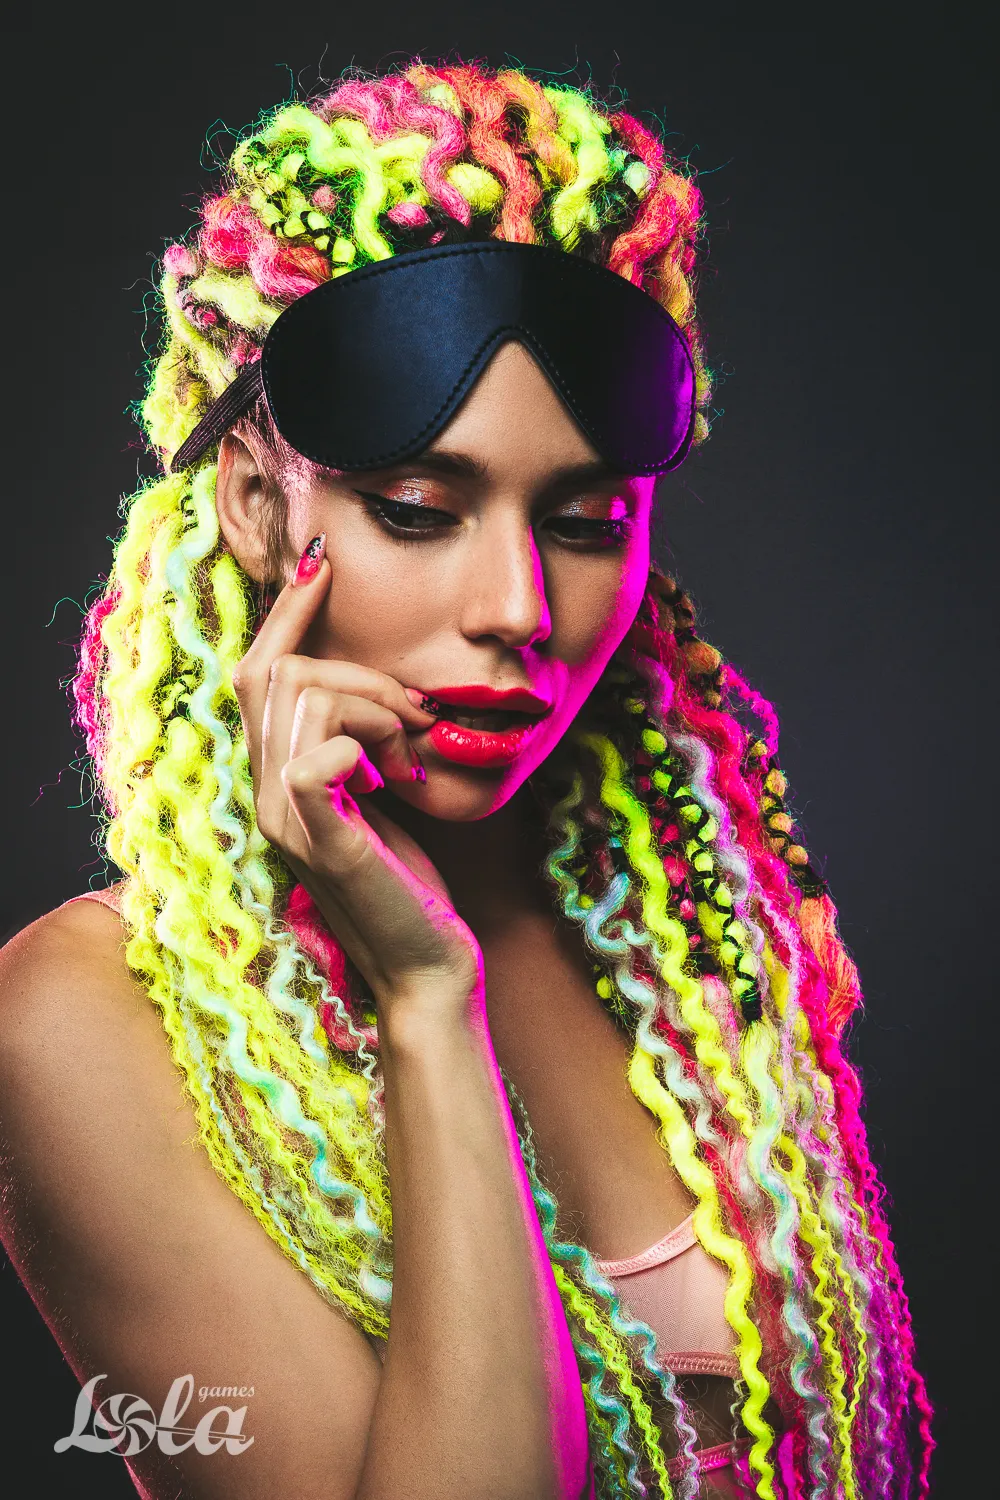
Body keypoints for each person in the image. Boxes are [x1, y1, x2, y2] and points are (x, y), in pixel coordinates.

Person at [0, 61, 931, 1500]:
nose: (517, 607)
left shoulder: (695, 937)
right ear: (255, 502)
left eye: (584, 521)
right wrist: (429, 1001)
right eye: (420, 511)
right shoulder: (76, 1022)